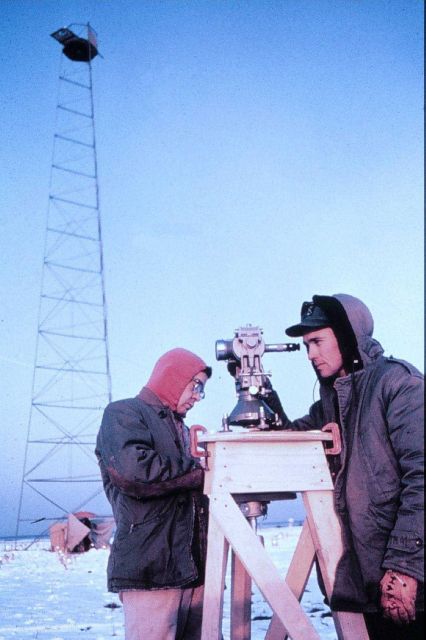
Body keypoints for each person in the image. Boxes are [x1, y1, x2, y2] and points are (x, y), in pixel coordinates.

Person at [275, 293, 424, 640]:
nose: (310, 354)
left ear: (346, 335)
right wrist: (265, 400)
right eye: (306, 345)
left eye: (316, 341)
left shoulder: (399, 385)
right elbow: (290, 436)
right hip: (365, 582)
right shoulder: (331, 399)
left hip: (407, 581)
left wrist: (404, 566)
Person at [95, 347, 212, 640]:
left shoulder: (180, 428)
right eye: (195, 385)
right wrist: (200, 470)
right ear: (173, 377)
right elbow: (133, 472)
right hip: (150, 566)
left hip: (193, 566)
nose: (198, 395)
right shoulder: (123, 413)